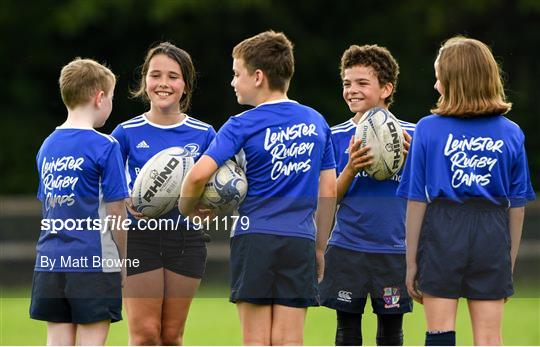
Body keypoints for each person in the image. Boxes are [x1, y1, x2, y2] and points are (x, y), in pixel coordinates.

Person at [179, 30, 337, 346]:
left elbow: (197, 176)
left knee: (256, 341)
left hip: (255, 239)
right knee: (289, 340)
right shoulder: (316, 121)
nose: (233, 81)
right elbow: (329, 190)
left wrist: (187, 209)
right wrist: (319, 247)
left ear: (259, 76)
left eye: (237, 74)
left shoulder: (241, 123)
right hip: (299, 240)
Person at [397, 36, 536, 346]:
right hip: (492, 232)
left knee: (439, 333)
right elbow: (517, 206)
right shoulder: (512, 132)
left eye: (439, 77)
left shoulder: (427, 129)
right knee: (489, 338)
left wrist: (411, 264)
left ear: (455, 80)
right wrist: (508, 262)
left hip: (443, 230)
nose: (435, 86)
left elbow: (417, 199)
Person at [111, 42, 216, 345]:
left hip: (186, 239)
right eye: (156, 75)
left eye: (173, 76)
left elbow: (220, 189)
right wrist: (123, 201)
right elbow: (108, 190)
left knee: (171, 336)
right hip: (138, 239)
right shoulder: (125, 132)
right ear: (145, 81)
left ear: (185, 85)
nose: (164, 84)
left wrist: (210, 208)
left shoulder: (205, 134)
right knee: (144, 335)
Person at [318, 44, 415, 346]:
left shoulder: (413, 135)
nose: (352, 90)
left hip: (395, 250)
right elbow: (327, 199)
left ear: (386, 88)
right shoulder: (334, 136)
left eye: (362, 83)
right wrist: (350, 169)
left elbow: (424, 196)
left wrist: (413, 163)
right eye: (347, 83)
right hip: (348, 247)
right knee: (347, 332)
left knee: (391, 333)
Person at [30, 58, 128, 345]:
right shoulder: (106, 145)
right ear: (100, 98)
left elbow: (48, 204)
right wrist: (123, 261)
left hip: (49, 262)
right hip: (93, 263)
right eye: (111, 97)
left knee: (56, 341)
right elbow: (116, 210)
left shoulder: (47, 145)